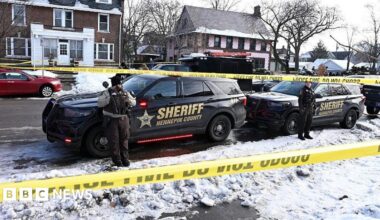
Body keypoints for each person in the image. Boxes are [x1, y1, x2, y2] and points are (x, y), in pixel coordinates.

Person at [97, 76, 136, 167]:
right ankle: (117, 161)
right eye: (117, 84)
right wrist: (110, 97)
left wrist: (128, 99)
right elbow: (99, 103)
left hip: (123, 118)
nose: (119, 86)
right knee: (114, 141)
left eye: (120, 84)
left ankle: (125, 159)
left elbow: (133, 103)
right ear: (113, 85)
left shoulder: (125, 92)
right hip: (112, 119)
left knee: (124, 140)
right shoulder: (107, 92)